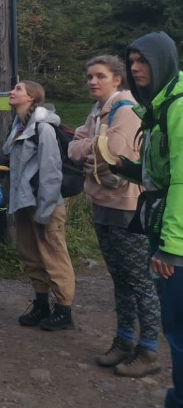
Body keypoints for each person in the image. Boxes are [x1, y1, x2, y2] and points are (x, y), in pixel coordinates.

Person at [68, 55, 161, 377]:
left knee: (139, 280)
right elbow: (76, 148)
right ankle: (123, 340)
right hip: (102, 203)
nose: (92, 81)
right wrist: (91, 149)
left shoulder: (126, 110)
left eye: (100, 76)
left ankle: (149, 348)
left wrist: (88, 151)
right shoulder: (98, 111)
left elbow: (114, 158)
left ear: (117, 79)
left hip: (125, 206)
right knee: (120, 279)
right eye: (89, 76)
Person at [110, 32, 183, 404]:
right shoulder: (159, 106)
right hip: (160, 226)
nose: (136, 68)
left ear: (163, 61)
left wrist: (171, 247)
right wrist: (127, 168)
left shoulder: (179, 107)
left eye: (143, 61)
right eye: (132, 60)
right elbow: (162, 175)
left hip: (176, 241)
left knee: (180, 326)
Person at [3, 80, 76, 331]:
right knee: (31, 255)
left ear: (32, 98)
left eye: (18, 89)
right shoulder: (19, 126)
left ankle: (64, 310)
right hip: (25, 202)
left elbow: (51, 172)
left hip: (46, 205)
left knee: (53, 256)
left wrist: (45, 212)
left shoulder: (43, 128)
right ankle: (42, 304)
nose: (12, 92)